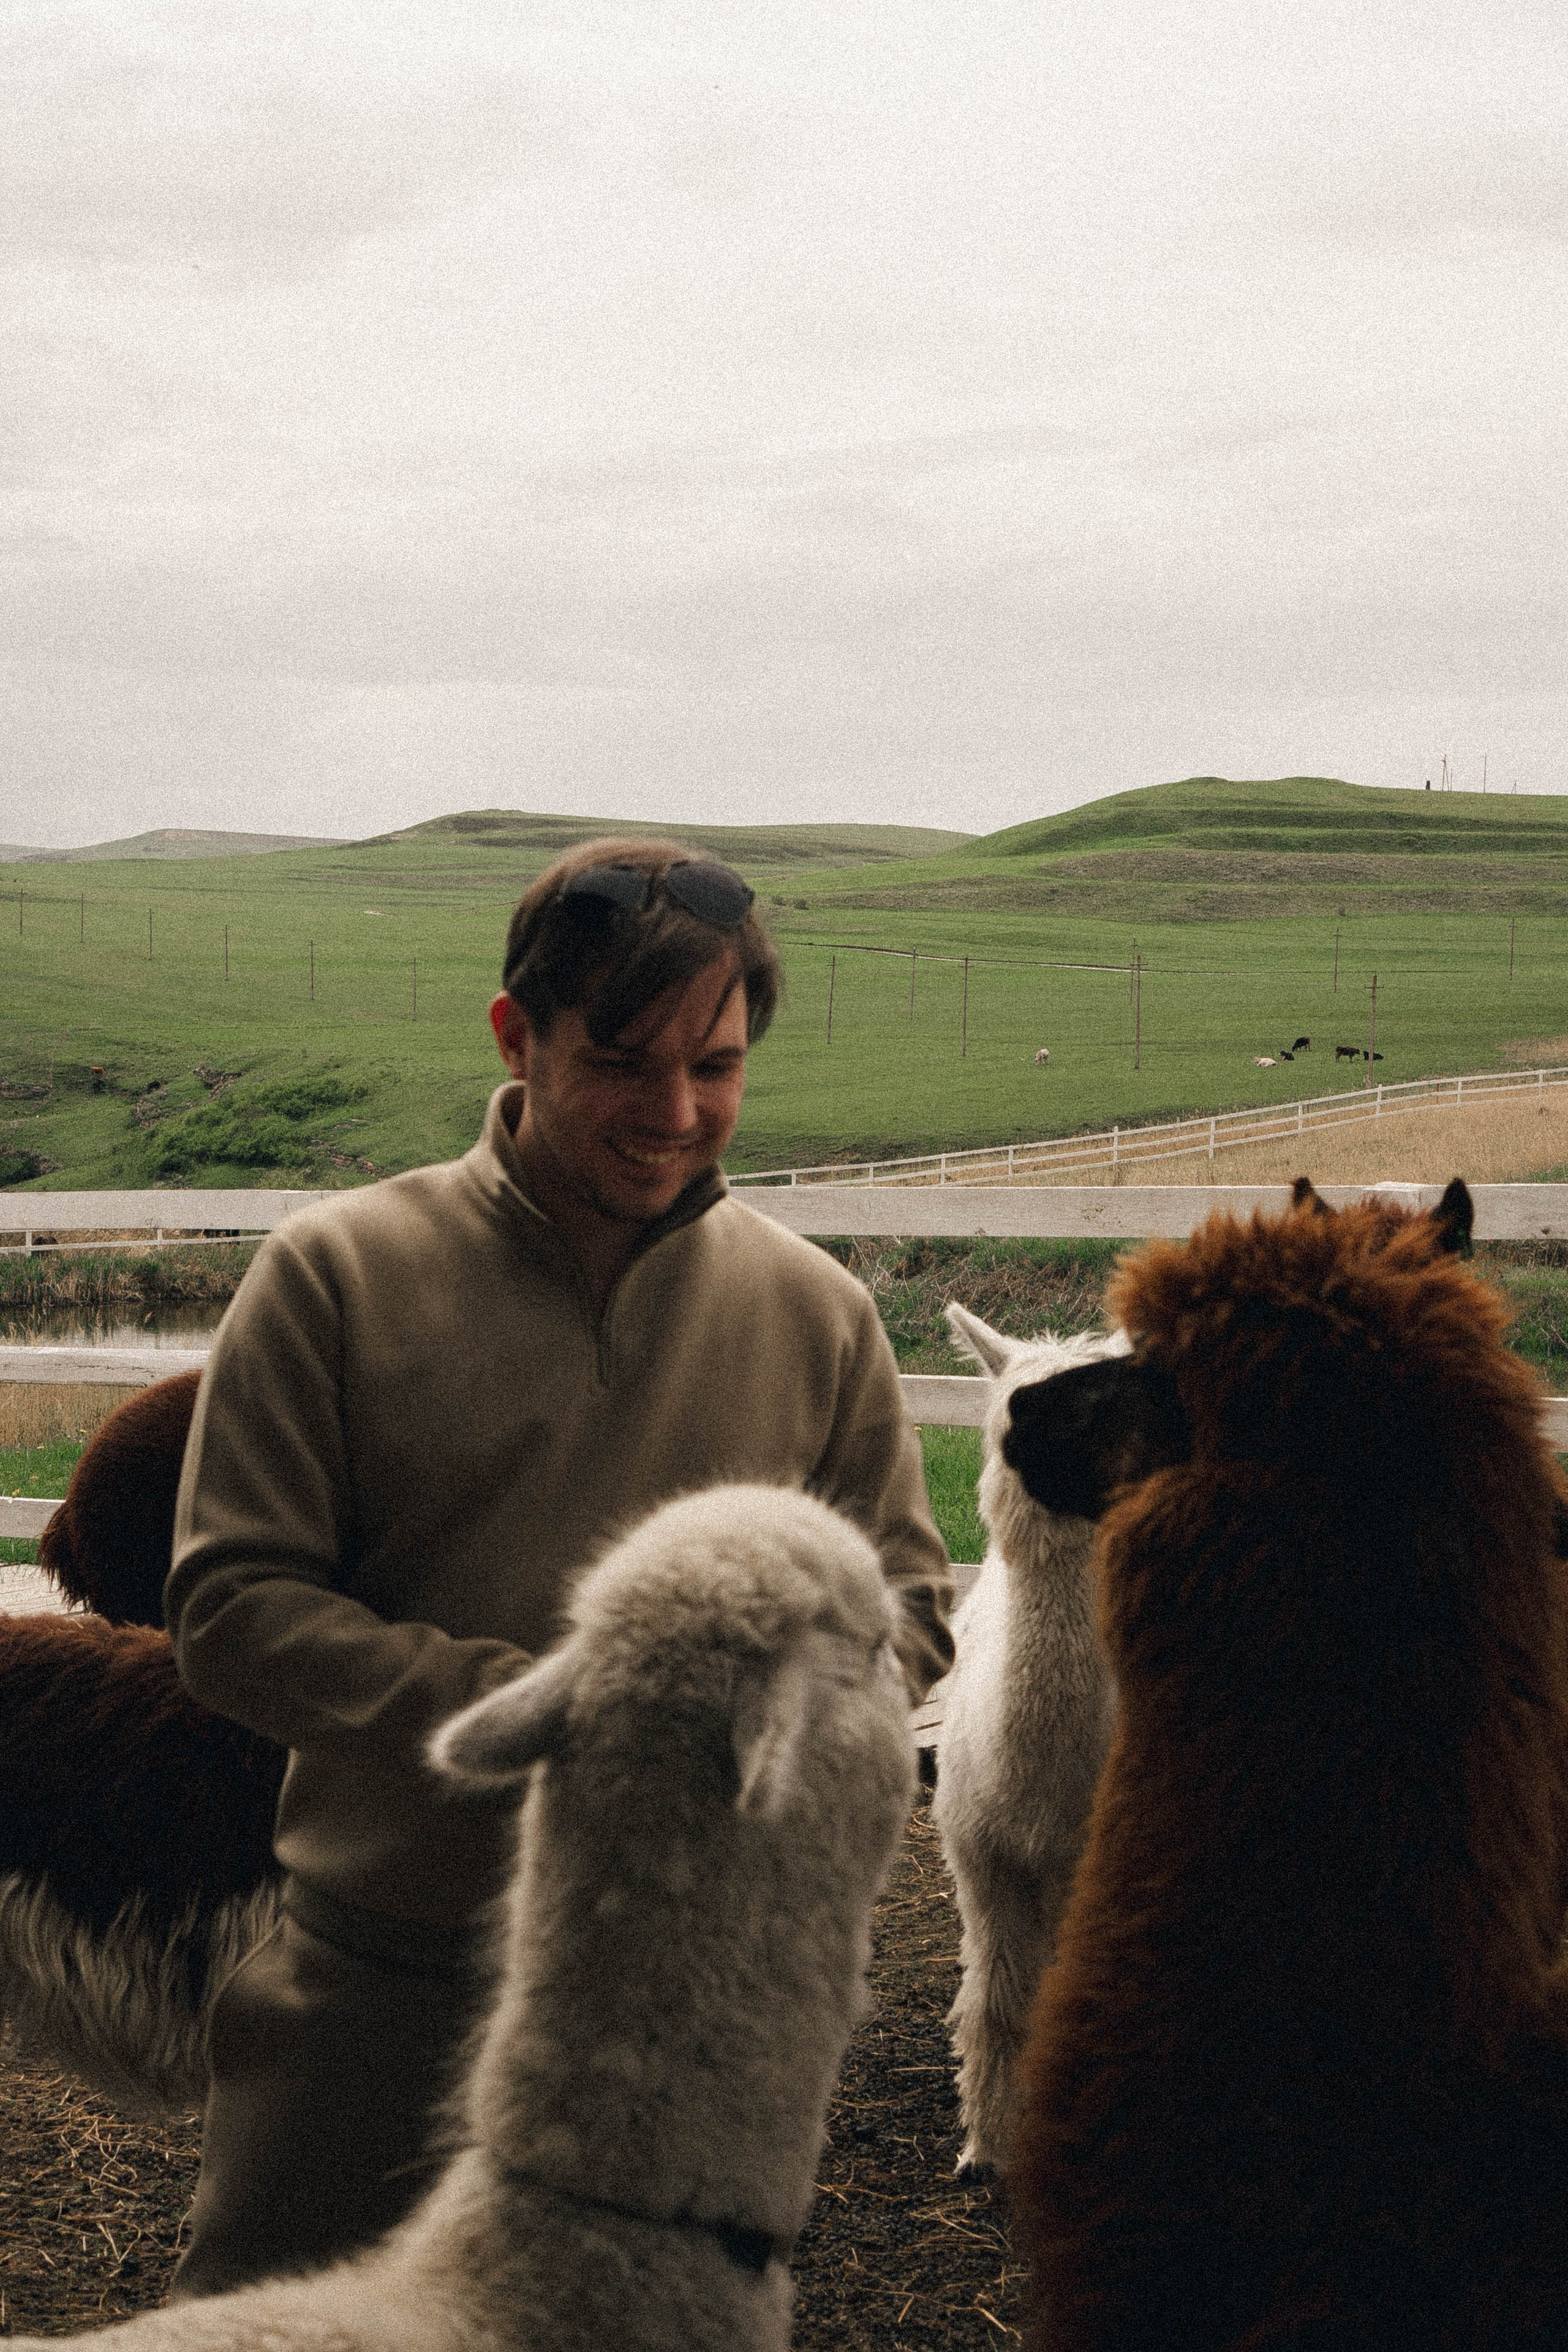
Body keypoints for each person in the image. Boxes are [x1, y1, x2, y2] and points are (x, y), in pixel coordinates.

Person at [164, 835, 954, 2297]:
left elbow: (906, 1612)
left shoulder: (820, 1318)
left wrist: (762, 1707)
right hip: (379, 1989)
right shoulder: (332, 1275)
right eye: (623, 1059)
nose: (675, 1113)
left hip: (681, 2015)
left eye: (713, 1067)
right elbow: (231, 1609)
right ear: (515, 1037)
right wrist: (564, 1712)